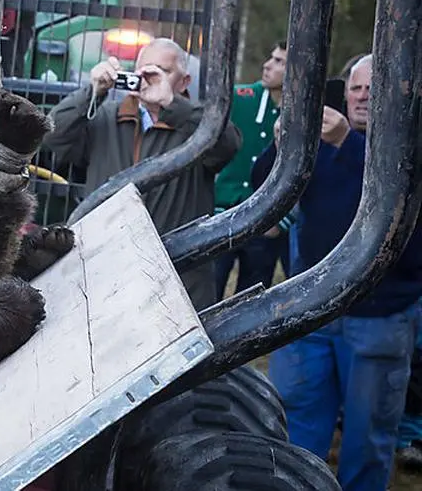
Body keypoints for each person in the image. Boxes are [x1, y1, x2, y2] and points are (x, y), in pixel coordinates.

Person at [255, 54, 422, 491]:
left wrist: (349, 142)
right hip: (310, 312)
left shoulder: (410, 147)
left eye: (375, 87)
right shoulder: (319, 147)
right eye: (356, 88)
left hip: (380, 318)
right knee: (295, 425)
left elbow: (392, 187)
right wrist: (281, 145)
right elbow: (264, 192)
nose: (364, 95)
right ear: (344, 94)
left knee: (368, 438)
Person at [45, 38, 241, 310]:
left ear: (183, 82)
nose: (150, 77)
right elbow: (53, 135)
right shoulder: (107, 117)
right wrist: (94, 91)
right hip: (105, 266)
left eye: (162, 70)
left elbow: (228, 145)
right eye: (145, 69)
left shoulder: (200, 125)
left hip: (176, 273)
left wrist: (172, 105)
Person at [212, 41, 290, 297]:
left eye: (279, 61)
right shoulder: (238, 98)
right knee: (206, 297)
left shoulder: (303, 113)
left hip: (266, 223)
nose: (268, 65)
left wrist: (282, 221)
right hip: (222, 216)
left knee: (251, 302)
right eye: (271, 57)